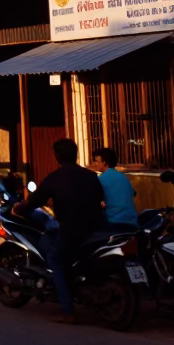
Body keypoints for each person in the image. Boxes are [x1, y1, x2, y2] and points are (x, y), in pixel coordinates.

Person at [14, 137, 105, 324]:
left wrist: (19, 208)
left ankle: (68, 310)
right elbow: (100, 199)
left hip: (71, 231)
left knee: (55, 259)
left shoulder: (54, 178)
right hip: (95, 229)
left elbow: (34, 201)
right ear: (76, 154)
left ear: (57, 156)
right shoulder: (91, 176)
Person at [90, 146, 138, 229]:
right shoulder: (123, 177)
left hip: (113, 221)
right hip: (132, 220)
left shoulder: (101, 179)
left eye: (97, 161)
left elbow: (94, 199)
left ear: (105, 162)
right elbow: (133, 193)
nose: (95, 164)